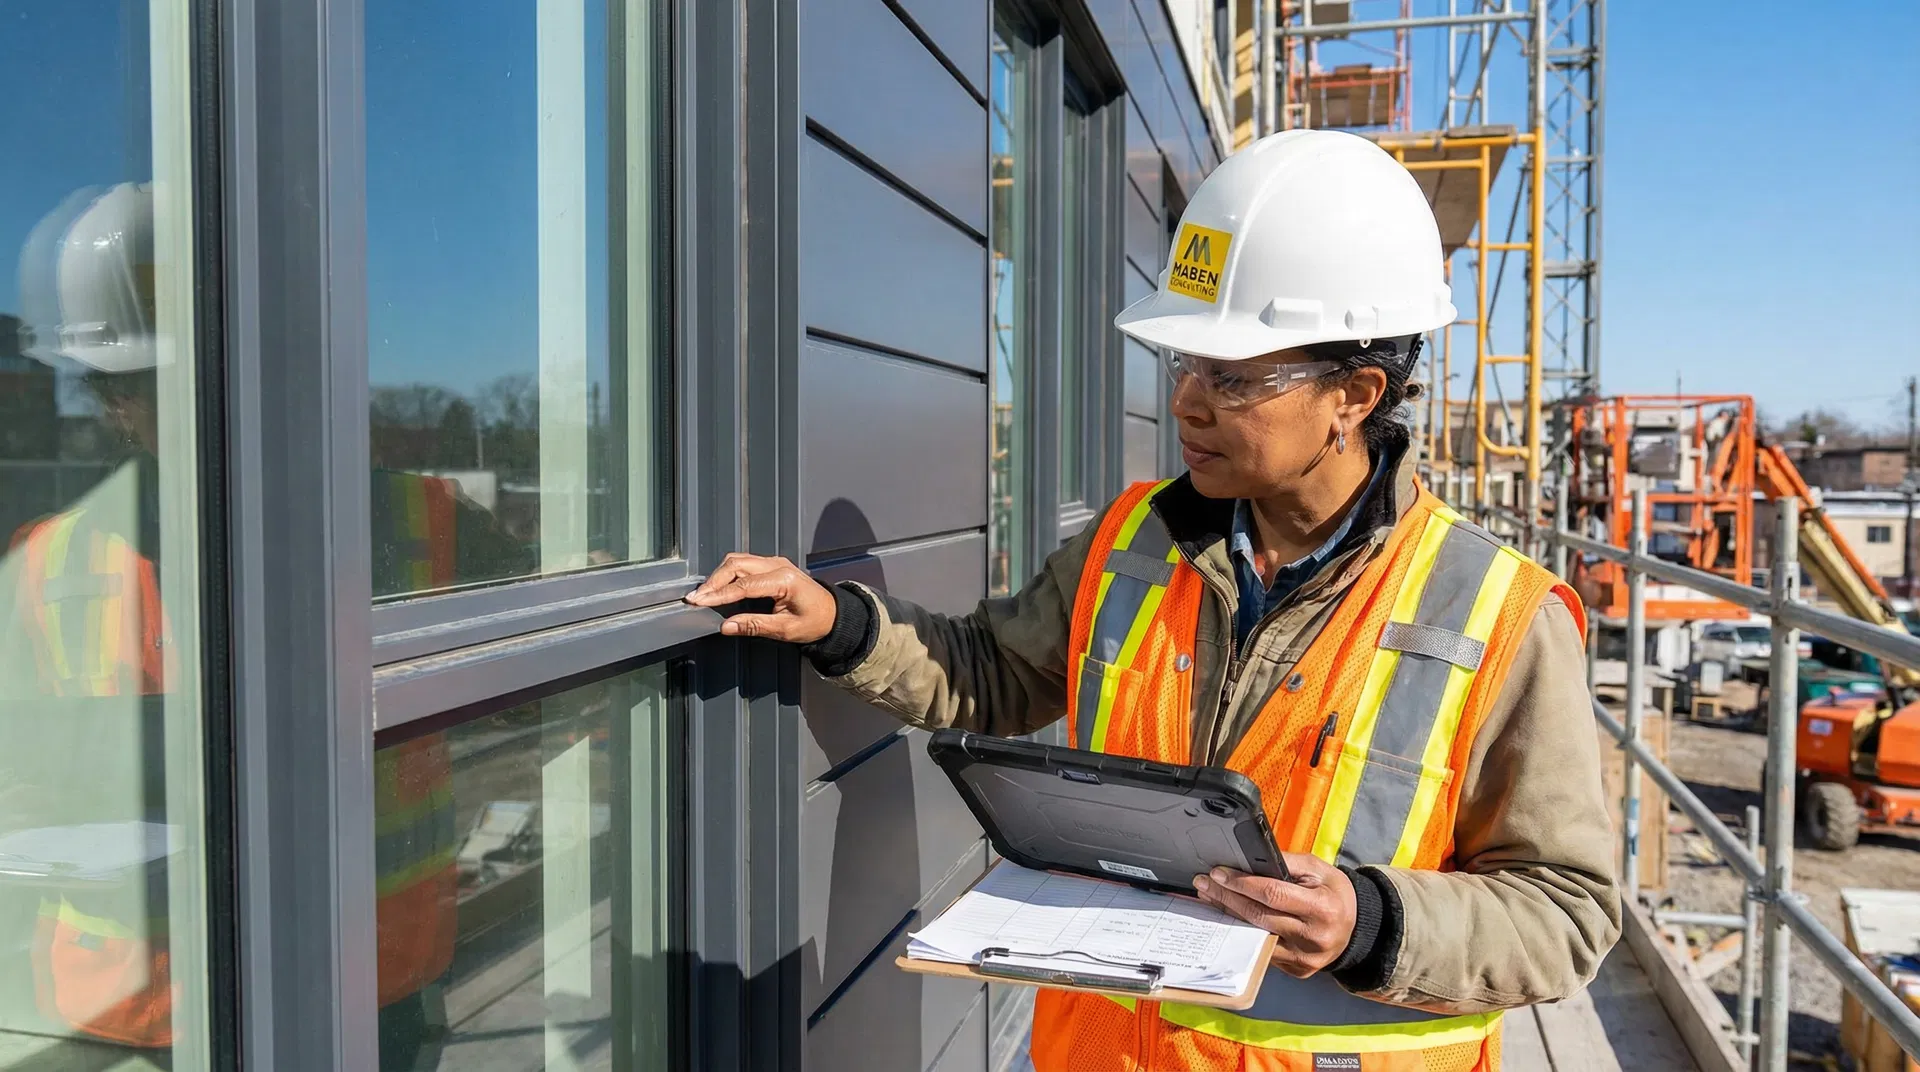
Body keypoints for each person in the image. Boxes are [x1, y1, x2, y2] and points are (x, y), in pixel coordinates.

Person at [687, 130, 1619, 1071]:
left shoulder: (1499, 617)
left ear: (1356, 393)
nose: (1187, 401)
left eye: (1234, 377)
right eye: (1185, 362)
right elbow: (994, 674)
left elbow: (1568, 911)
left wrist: (1372, 920)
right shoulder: (1135, 539)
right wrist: (841, 623)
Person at [1, 183, 510, 1064]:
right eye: (163, 384)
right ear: (116, 400)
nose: (215, 405)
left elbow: (549, 698)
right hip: (134, 1016)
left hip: (363, 989)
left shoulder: (428, 526)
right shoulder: (45, 567)